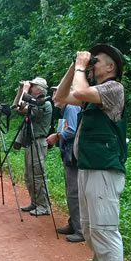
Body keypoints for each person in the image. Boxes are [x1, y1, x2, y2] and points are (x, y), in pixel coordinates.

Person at [55, 44, 127, 261]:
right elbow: (61, 97)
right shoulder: (92, 94)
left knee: (105, 229)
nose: (93, 64)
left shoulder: (113, 88)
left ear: (111, 67)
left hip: (104, 169)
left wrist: (83, 66)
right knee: (89, 227)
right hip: (88, 166)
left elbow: (80, 91)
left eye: (97, 62)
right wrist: (74, 66)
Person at [46, 90, 84, 242]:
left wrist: (56, 136)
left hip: (73, 156)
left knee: (74, 192)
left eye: (56, 93)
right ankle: (73, 223)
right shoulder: (64, 110)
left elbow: (72, 131)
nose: (53, 96)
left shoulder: (71, 108)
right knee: (71, 190)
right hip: (68, 155)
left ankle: (80, 230)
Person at [13, 77, 53, 216]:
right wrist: (20, 90)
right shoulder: (34, 101)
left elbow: (23, 108)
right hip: (30, 141)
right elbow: (17, 106)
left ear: (40, 89)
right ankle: (34, 202)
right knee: (28, 175)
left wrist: (24, 90)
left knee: (38, 175)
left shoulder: (44, 103)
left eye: (33, 85)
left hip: (39, 141)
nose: (31, 87)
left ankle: (44, 206)